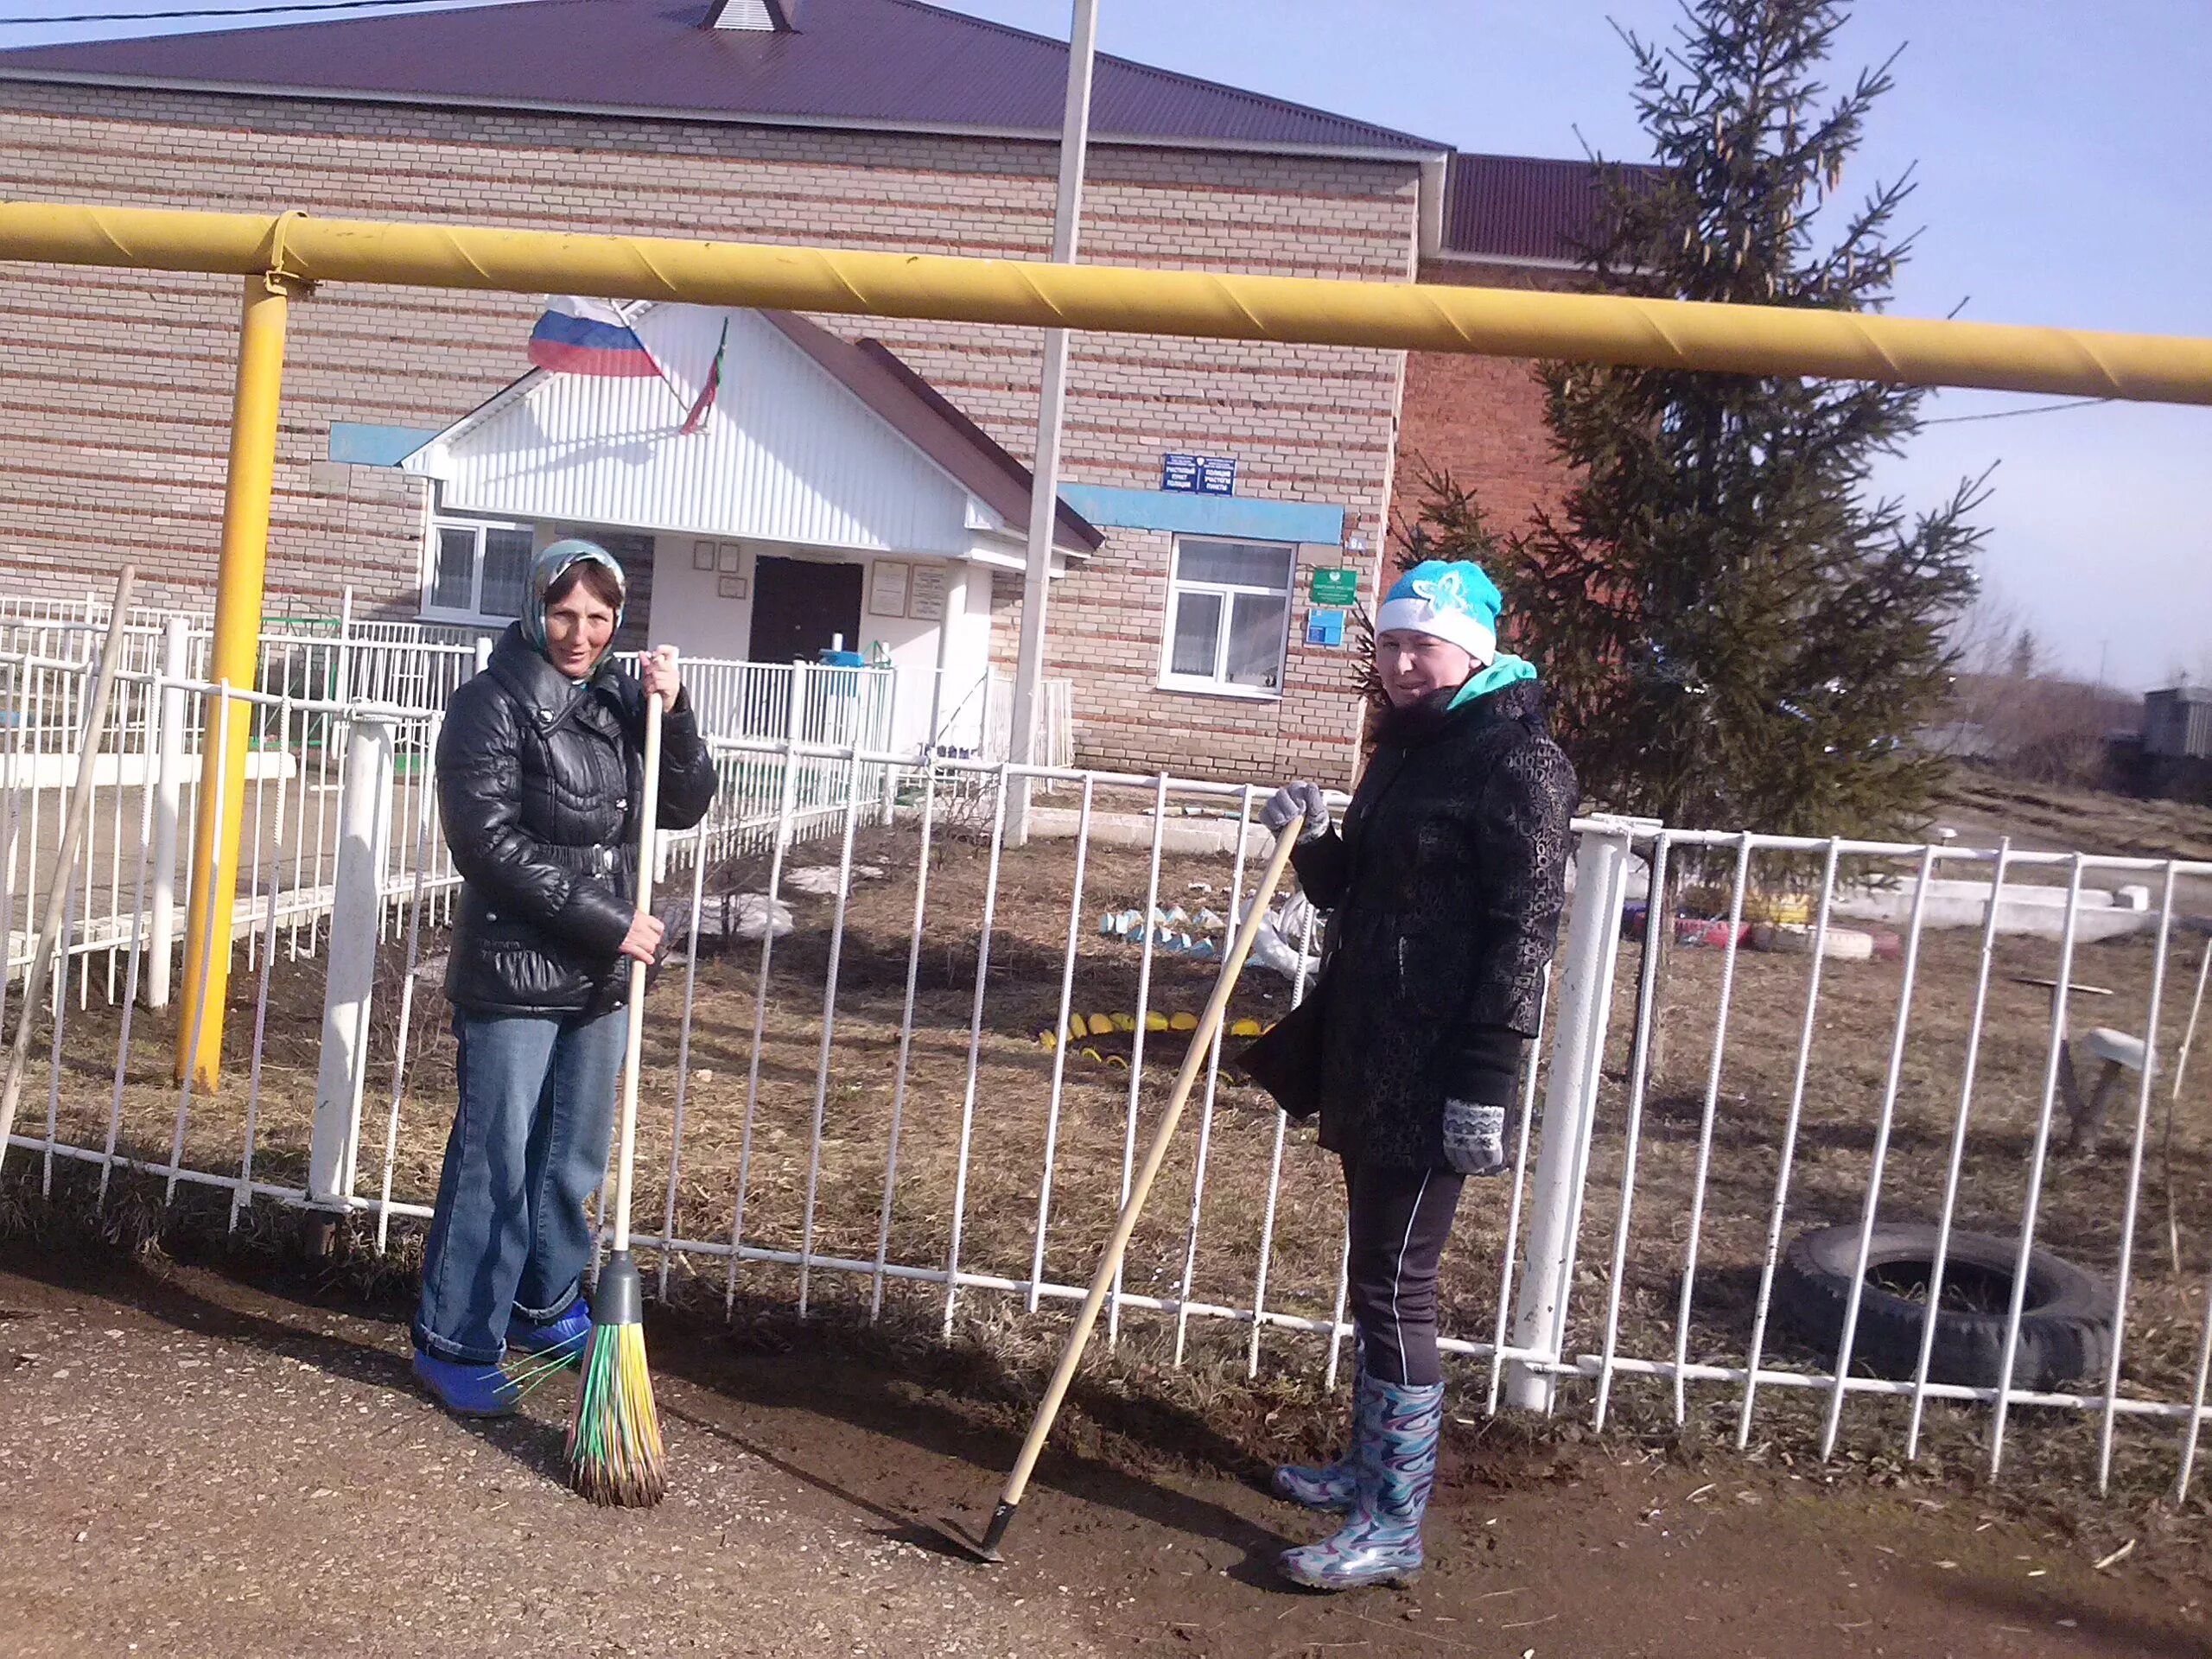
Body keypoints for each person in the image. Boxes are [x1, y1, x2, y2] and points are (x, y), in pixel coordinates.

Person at [1241, 559, 1576, 1590]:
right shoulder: (1408, 746)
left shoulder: (1517, 760)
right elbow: (1363, 893)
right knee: (1375, 1278)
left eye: (1417, 645)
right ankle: (1367, 1471)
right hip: (1372, 1049)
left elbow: (1525, 931)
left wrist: (1487, 1075)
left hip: (1436, 1067)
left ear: (1470, 651)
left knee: (1398, 1287)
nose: (1396, 662)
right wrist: (1309, 835)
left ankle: (1393, 1522)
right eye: (1386, 644)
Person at [410, 539, 718, 1416]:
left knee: (570, 1159)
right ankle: (454, 1338)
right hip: (515, 969)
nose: (580, 634)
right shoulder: (489, 705)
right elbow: (487, 846)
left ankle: (543, 1309)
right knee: (495, 1160)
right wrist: (608, 920)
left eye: (598, 617)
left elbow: (683, 803)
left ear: (617, 619)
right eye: (563, 614)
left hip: (600, 974)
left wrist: (676, 713)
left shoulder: (623, 701)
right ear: (533, 610)